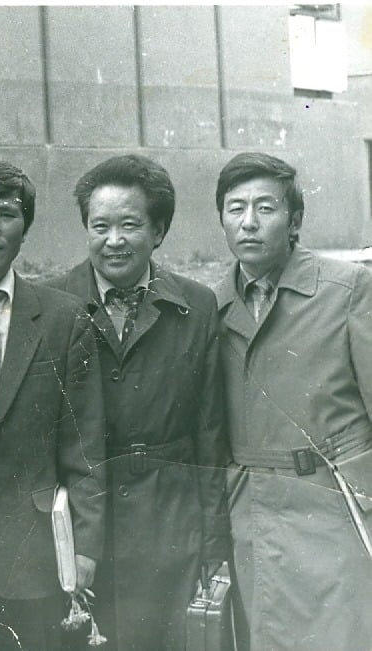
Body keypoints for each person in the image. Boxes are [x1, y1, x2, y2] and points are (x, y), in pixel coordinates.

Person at [47, 154, 230, 651]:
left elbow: (210, 435)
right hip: (83, 533)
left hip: (171, 528)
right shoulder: (52, 305)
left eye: (129, 225)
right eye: (99, 226)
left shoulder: (196, 306)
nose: (114, 241)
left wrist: (213, 543)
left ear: (159, 230)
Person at [0, 160, 107, 651]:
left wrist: (86, 546)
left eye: (6, 215)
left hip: (36, 546)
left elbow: (85, 444)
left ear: (25, 229)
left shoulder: (63, 319)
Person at [213, 152, 372, 651]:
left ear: (295, 220)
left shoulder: (348, 290)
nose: (249, 222)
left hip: (337, 507)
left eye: (266, 208)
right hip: (254, 515)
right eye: (235, 209)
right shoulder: (209, 308)